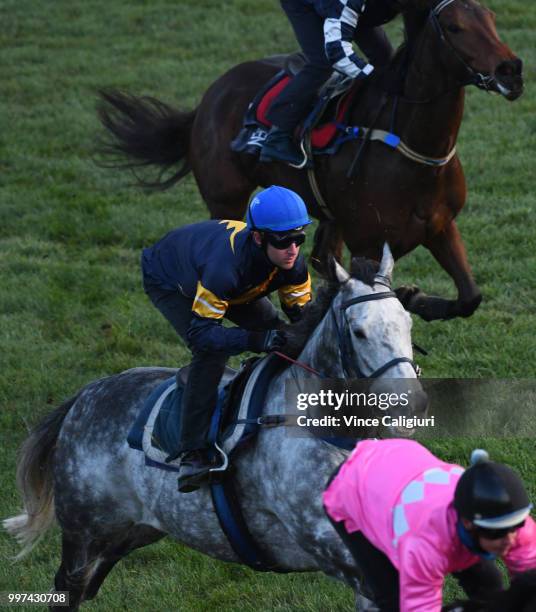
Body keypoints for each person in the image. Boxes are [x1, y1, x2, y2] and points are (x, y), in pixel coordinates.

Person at [142, 186, 313, 492]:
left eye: (299, 237)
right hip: (171, 280)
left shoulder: (293, 264)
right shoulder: (224, 269)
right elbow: (203, 334)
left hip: (238, 286)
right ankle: (193, 453)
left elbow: (304, 322)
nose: (293, 248)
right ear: (259, 237)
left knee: (282, 335)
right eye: (284, 239)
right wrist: (254, 340)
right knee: (212, 354)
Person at [323, 439, 536, 611]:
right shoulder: (423, 543)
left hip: (400, 458)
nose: (510, 538)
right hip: (354, 486)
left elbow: (530, 587)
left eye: (515, 526)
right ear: (468, 523)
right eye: (497, 531)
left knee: (489, 585)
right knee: (394, 600)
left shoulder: (517, 527)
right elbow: (420, 605)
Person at [260, 0, 402, 166]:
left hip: (351, 8)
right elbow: (337, 53)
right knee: (322, 63)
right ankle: (278, 135)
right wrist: (375, 78)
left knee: (385, 58)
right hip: (304, 3)